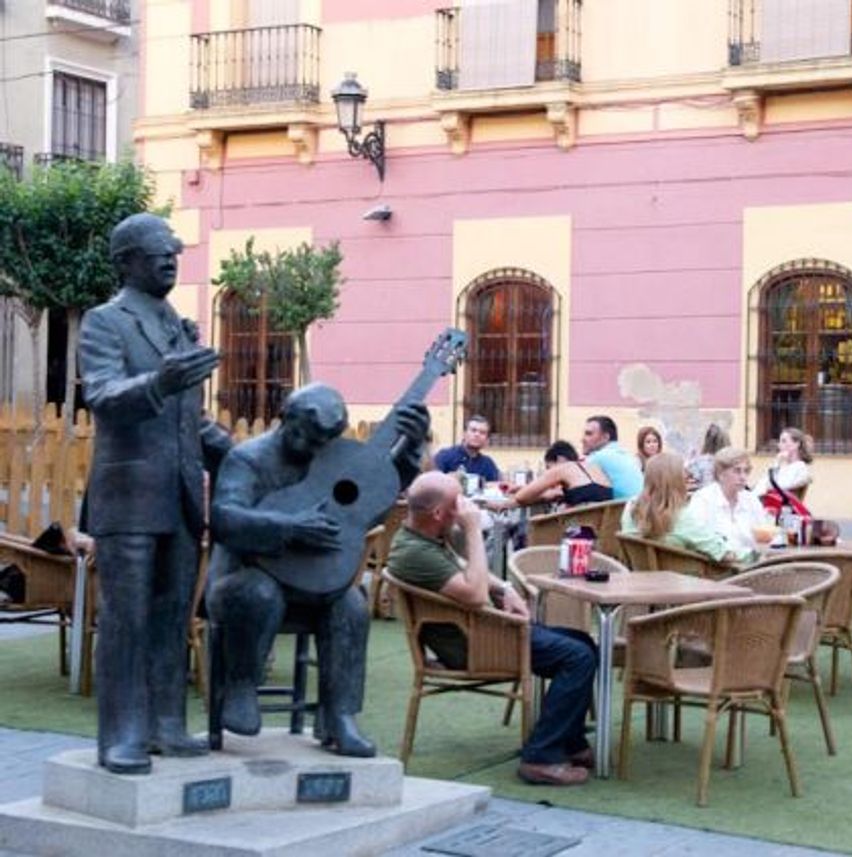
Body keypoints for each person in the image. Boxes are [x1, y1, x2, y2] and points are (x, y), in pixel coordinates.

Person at [79, 213, 232, 775]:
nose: (170, 260)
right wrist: (160, 382)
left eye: (174, 252)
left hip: (183, 497)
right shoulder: (105, 322)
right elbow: (101, 394)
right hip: (129, 494)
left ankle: (166, 724)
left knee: (171, 618)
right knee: (126, 619)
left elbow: (190, 422)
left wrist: (241, 453)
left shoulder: (177, 326)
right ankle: (121, 735)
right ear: (125, 262)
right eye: (156, 252)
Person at [206, 384, 429, 757]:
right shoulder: (247, 459)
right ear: (286, 418)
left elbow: (378, 487)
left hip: (311, 587)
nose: (313, 449)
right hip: (239, 583)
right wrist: (288, 528)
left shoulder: (329, 457)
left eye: (323, 441)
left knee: (352, 604)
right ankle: (241, 686)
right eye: (306, 438)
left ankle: (339, 717)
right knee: (260, 592)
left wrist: (411, 448)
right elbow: (225, 519)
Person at [388, 472, 597, 786]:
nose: (466, 506)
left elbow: (465, 572)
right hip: (477, 643)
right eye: (458, 502)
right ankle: (541, 757)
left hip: (484, 630)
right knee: (577, 657)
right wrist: (472, 529)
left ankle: (570, 741)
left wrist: (504, 589)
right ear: (438, 514)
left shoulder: (423, 540)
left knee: (583, 642)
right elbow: (474, 594)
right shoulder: (415, 553)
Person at [621, 452, 734, 562]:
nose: (688, 477)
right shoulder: (682, 517)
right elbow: (724, 554)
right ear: (677, 481)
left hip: (640, 577)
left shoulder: (631, 507)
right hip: (689, 579)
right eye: (684, 475)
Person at [688, 447, 768, 561]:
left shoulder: (751, 500)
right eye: (737, 471)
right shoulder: (703, 499)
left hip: (752, 567)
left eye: (746, 471)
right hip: (717, 569)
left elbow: (765, 537)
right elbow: (696, 539)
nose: (743, 477)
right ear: (720, 474)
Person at [488, 440, 612, 511]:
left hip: (577, 530)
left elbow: (522, 497)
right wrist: (518, 490)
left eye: (548, 468)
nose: (548, 472)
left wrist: (510, 499)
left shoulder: (563, 468)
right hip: (601, 530)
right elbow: (553, 494)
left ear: (558, 459)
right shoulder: (591, 466)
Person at [582, 415, 643, 499]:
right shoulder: (625, 455)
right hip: (639, 507)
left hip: (623, 510)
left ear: (605, 437)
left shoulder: (600, 457)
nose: (582, 439)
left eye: (589, 434)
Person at [433, 415, 500, 484]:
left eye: (482, 433)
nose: (477, 435)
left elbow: (495, 486)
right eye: (473, 430)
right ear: (464, 434)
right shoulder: (445, 456)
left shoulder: (487, 464)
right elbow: (432, 482)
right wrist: (448, 479)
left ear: (487, 440)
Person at [755, 426, 813, 503]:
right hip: (761, 503)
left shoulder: (799, 467)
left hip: (775, 507)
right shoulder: (786, 467)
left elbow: (773, 487)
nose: (779, 445)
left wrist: (777, 462)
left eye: (784, 441)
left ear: (797, 444)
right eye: (780, 441)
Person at [686, 423, 731, 491]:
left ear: (707, 440)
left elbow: (685, 471)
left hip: (704, 497)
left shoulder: (698, 462)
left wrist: (691, 458)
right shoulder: (731, 462)